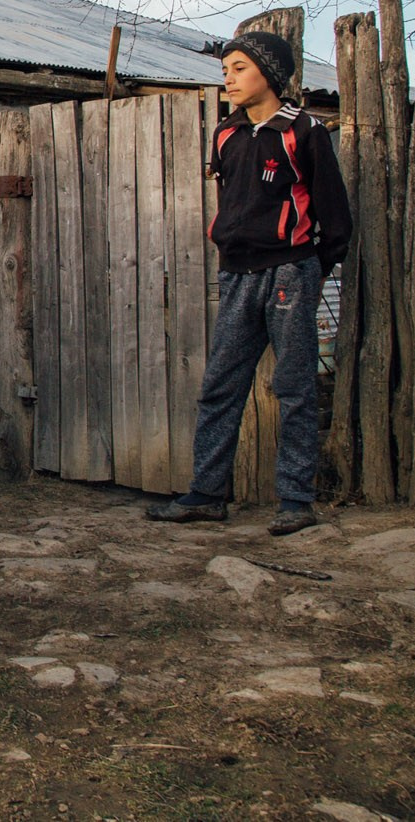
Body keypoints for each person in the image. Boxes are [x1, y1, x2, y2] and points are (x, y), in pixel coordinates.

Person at [146, 30, 351, 536]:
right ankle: (207, 494)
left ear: (270, 74)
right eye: (225, 70)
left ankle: (296, 500)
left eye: (239, 69)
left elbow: (335, 218)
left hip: (289, 273)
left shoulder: (303, 132)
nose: (229, 79)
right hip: (237, 274)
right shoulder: (226, 134)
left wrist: (308, 268)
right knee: (221, 384)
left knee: (294, 386)